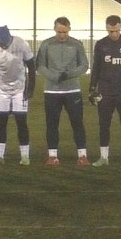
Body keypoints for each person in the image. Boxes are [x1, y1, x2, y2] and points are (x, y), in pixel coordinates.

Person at [35, 16, 90, 166]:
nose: (62, 35)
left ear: (69, 29)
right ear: (54, 29)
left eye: (65, 32)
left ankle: (82, 156)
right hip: (52, 91)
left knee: (77, 123)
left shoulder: (77, 44)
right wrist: (54, 77)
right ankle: (52, 156)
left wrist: (68, 74)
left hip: (73, 90)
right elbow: (40, 65)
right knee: (52, 123)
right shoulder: (46, 44)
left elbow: (84, 65)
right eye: (59, 32)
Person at [0, 24, 35, 165]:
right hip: (1, 90)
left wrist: (30, 88)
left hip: (19, 89)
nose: (2, 46)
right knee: (1, 122)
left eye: (3, 43)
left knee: (21, 122)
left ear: (9, 37)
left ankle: (25, 156)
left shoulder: (21, 44)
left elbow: (31, 66)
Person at [89, 15, 121, 166]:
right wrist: (92, 89)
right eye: (111, 31)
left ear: (120, 27)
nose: (114, 34)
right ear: (106, 28)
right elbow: (96, 68)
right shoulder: (101, 44)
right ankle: (104, 157)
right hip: (105, 92)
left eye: (116, 30)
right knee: (104, 125)